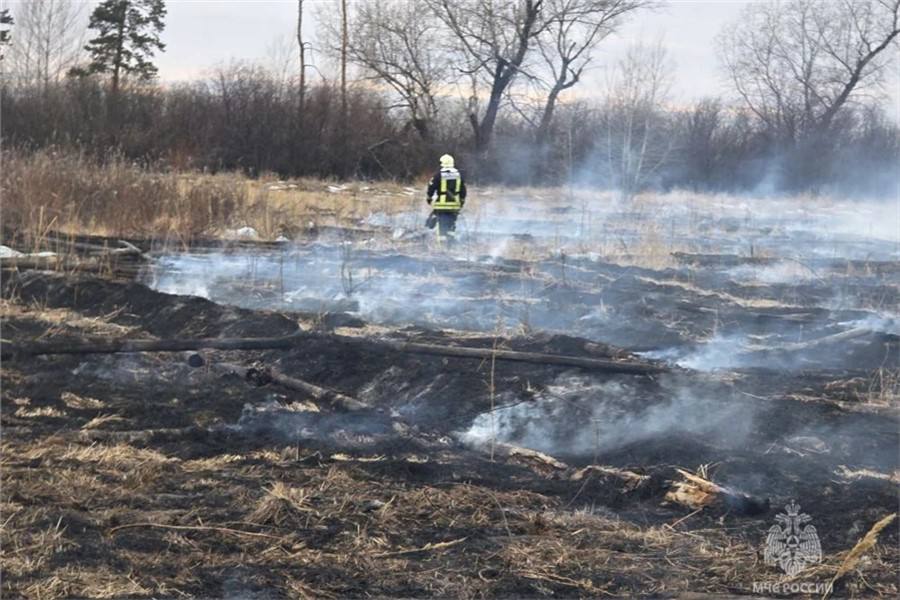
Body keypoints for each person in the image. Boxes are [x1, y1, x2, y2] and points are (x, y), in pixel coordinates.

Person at [425, 154, 467, 240]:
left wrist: (429, 198)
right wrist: (462, 201)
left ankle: (442, 247)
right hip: (454, 206)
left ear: (442, 163)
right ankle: (450, 244)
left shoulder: (438, 175)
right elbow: (463, 190)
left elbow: (431, 187)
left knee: (441, 227)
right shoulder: (459, 175)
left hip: (442, 206)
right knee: (451, 225)